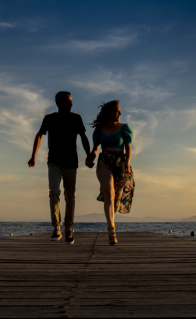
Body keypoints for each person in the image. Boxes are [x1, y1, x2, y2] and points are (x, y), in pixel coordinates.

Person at [28, 91, 90, 244]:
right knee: (54, 192)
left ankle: (68, 228)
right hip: (54, 162)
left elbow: (83, 136)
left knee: (70, 196)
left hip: (71, 163)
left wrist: (89, 155)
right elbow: (40, 135)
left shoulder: (76, 118)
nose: (71, 104)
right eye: (68, 101)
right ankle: (57, 227)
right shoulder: (50, 118)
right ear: (60, 103)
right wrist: (33, 155)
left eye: (71, 101)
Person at [85, 100, 134, 245]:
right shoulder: (99, 130)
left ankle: (111, 225)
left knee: (117, 198)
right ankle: (111, 229)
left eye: (120, 111)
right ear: (109, 113)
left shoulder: (125, 128)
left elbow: (128, 147)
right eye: (116, 111)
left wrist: (128, 163)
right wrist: (91, 157)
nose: (119, 113)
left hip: (120, 162)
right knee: (110, 194)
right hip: (104, 160)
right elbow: (95, 148)